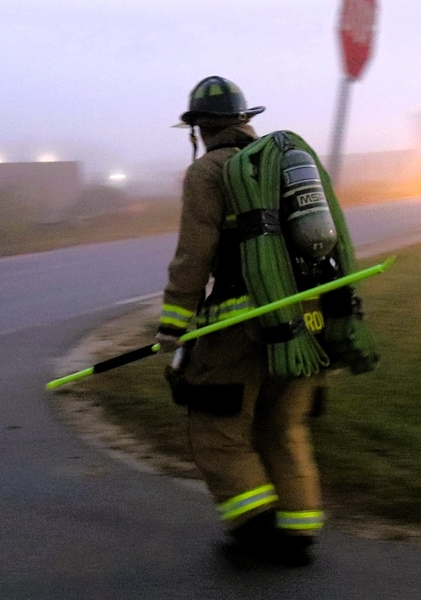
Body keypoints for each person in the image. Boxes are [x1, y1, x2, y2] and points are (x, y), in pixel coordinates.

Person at [155, 75, 326, 567]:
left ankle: (256, 534)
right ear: (245, 120)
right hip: (306, 321)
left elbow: (194, 254)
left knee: (218, 431)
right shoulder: (285, 164)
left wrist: (173, 324)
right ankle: (299, 531)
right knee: (283, 426)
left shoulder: (208, 172)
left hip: (239, 327)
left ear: (199, 129)